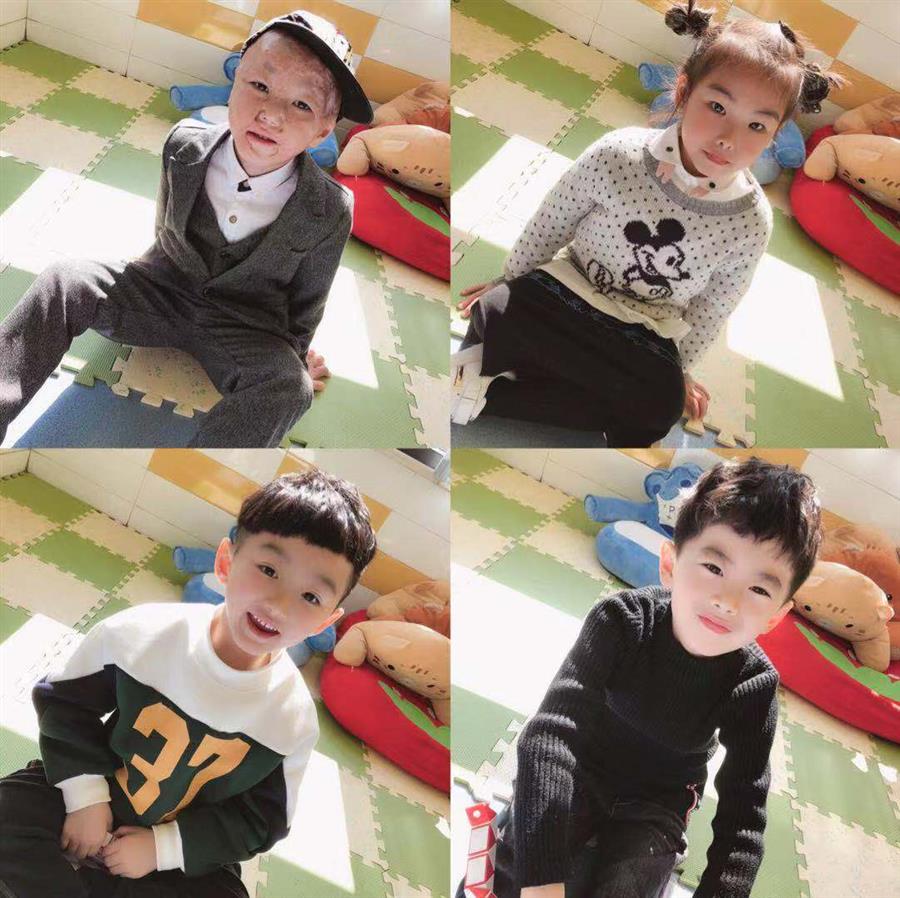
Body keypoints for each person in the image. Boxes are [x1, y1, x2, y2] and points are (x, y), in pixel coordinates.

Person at [452, 0, 844, 446]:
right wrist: (509, 278)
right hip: (566, 290)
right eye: (717, 106)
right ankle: (524, 379)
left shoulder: (751, 222)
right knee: (496, 313)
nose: (729, 139)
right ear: (684, 92)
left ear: (775, 136)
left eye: (756, 126)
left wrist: (679, 371)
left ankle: (491, 395)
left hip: (641, 332)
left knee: (659, 408)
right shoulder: (617, 153)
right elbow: (552, 220)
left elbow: (713, 307)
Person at [0, 10, 373, 448]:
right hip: (161, 290)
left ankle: (201, 461)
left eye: (301, 105)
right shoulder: (183, 145)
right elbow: (165, 231)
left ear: (323, 131)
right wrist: (136, 282)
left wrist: (294, 358)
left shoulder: (329, 209)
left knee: (292, 388)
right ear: (235, 81)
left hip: (247, 326)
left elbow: (308, 303)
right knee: (63, 280)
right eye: (260, 86)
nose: (272, 115)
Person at [0, 470, 377, 897]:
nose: (279, 605)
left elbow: (261, 820)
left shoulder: (292, 721)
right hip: (91, 797)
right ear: (226, 563)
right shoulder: (141, 634)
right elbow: (65, 703)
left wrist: (162, 849)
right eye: (269, 569)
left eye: (310, 597)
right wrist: (86, 797)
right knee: (9, 809)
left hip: (177, 854)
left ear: (325, 623)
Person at [477, 457, 821, 898]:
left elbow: (744, 814)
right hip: (582, 769)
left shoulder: (753, 684)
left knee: (630, 885)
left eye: (758, 589)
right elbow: (550, 734)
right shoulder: (621, 621)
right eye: (714, 568)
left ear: (775, 617)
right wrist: (541, 883)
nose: (728, 601)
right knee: (517, 872)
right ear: (670, 565)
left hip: (659, 803)